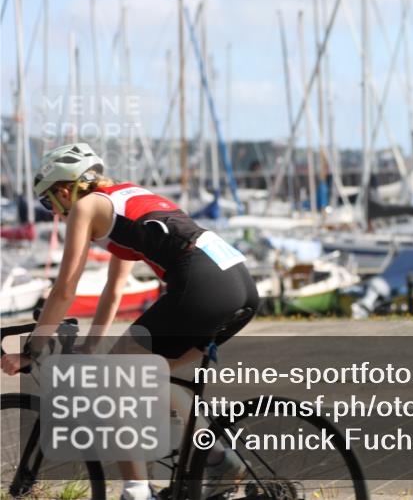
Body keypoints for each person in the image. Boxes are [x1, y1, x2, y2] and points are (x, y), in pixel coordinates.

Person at [1, 143, 259, 500]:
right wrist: (92, 346)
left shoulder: (86, 207)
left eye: (49, 203)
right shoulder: (126, 197)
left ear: (64, 190)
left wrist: (33, 348)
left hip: (202, 281)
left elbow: (64, 289)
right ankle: (218, 459)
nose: (56, 212)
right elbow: (115, 287)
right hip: (238, 284)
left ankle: (137, 491)